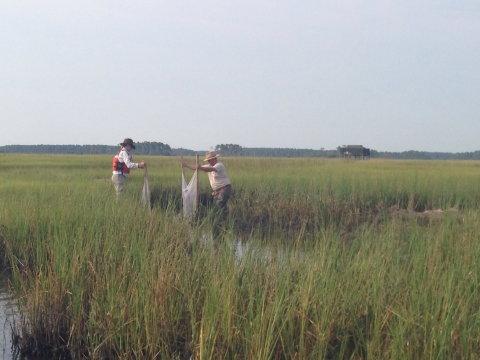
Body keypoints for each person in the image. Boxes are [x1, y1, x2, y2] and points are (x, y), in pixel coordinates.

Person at [181, 150, 232, 217]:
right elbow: (196, 168)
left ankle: (222, 218)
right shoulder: (208, 165)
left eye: (209, 160)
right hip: (216, 190)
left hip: (224, 188)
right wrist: (186, 165)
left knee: (219, 204)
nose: (209, 162)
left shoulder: (219, 165)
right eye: (208, 160)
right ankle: (226, 217)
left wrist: (201, 167)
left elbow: (210, 169)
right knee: (218, 205)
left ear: (214, 159)